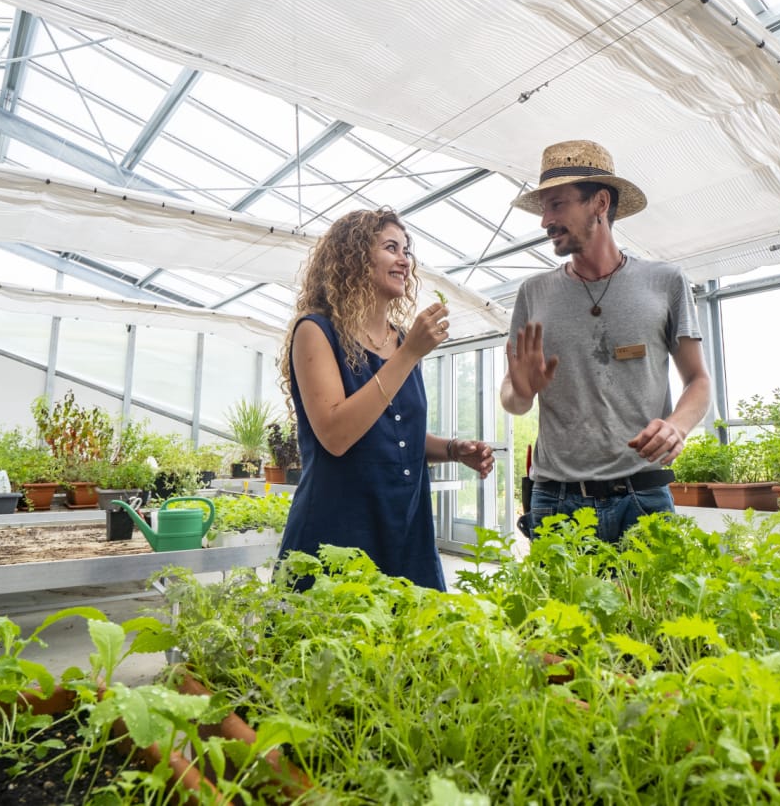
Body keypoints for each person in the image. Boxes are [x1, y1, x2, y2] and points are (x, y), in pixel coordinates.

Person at [500, 140, 711, 543]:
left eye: (556, 205)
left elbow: (698, 380)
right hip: (556, 500)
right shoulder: (533, 293)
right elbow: (512, 396)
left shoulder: (665, 282)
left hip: (643, 496)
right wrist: (521, 392)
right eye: (544, 208)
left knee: (651, 589)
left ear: (599, 202)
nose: (545, 221)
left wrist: (677, 427)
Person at [277, 208, 494, 590]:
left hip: (405, 530)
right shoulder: (316, 331)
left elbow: (393, 436)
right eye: (391, 248)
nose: (404, 260)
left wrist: (453, 449)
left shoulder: (402, 339)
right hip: (337, 530)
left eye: (406, 251)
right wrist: (408, 354)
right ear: (354, 257)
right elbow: (336, 435)